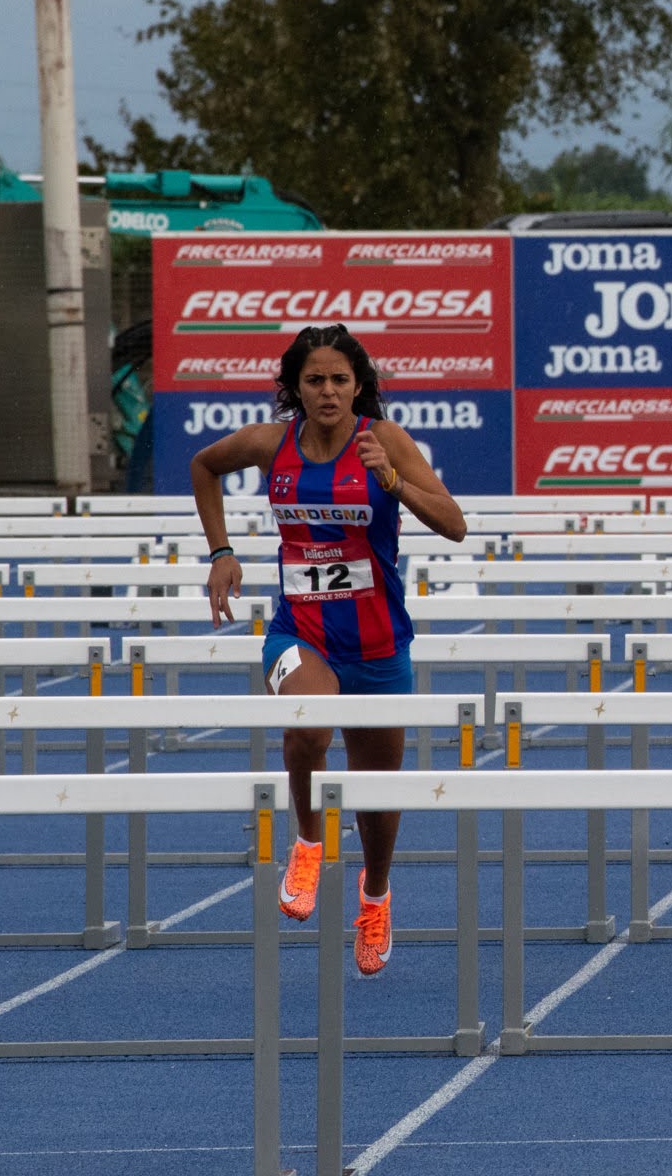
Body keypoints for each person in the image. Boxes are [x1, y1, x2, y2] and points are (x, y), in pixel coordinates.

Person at [192, 324, 467, 975]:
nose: (327, 391)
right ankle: (309, 843)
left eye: (339, 380)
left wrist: (393, 481)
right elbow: (204, 465)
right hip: (300, 632)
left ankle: (376, 895)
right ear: (296, 387)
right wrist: (221, 551)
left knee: (376, 795)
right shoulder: (270, 443)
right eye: (314, 380)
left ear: (357, 385)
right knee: (308, 725)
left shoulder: (384, 440)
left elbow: (454, 524)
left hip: (377, 642)